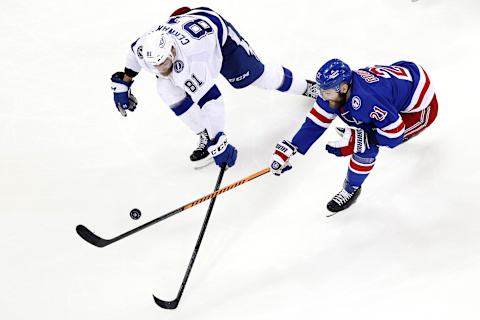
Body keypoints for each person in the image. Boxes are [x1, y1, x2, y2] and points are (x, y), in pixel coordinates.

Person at [110, 6, 318, 169]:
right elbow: (133, 56)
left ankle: (308, 87)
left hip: (219, 37)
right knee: (165, 88)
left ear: (172, 50)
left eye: (163, 62)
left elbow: (213, 102)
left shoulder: (194, 63)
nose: (161, 69)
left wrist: (218, 139)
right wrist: (125, 82)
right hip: (185, 24)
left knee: (260, 77)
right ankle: (203, 135)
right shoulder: (144, 48)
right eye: (156, 65)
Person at [270, 58, 438, 215]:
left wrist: (365, 139)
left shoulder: (367, 101)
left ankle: (351, 189)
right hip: (404, 77)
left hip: (421, 108)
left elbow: (394, 133)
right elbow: (317, 120)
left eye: (326, 92)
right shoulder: (342, 91)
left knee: (364, 146)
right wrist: (293, 146)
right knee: (358, 126)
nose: (322, 96)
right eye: (321, 90)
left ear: (343, 88)